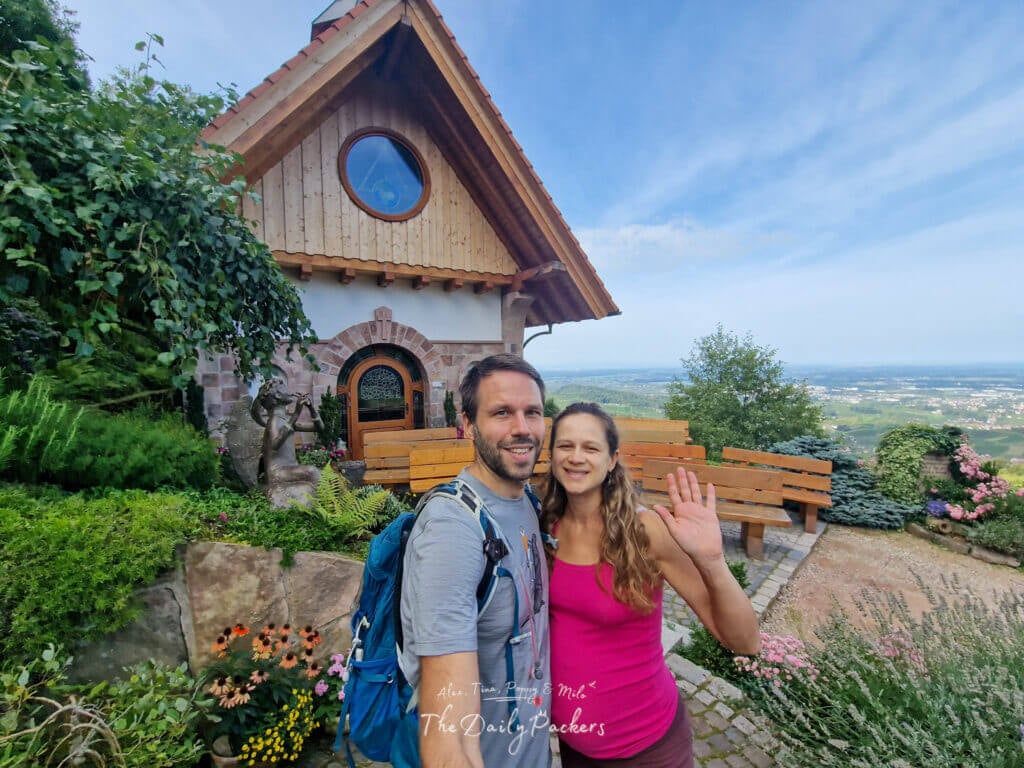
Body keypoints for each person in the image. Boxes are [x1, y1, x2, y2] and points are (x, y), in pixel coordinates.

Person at [541, 402, 761, 768]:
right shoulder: (545, 524)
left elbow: (744, 641)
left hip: (646, 748)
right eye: (565, 446)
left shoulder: (645, 531)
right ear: (551, 455)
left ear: (612, 460)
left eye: (590, 447)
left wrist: (711, 561)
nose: (576, 457)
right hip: (575, 746)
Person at [399, 354, 552, 767]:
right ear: (467, 424)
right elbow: (447, 732)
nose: (522, 428)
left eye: (532, 412)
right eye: (502, 412)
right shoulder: (453, 528)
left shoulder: (529, 503)